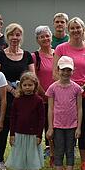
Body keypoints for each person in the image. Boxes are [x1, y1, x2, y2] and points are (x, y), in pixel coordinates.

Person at [53, 17, 85, 170]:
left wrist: (84, 87)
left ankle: (84, 162)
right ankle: (65, 162)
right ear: (68, 30)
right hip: (65, 93)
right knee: (65, 128)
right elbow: (54, 73)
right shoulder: (61, 48)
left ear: (83, 29)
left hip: (84, 93)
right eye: (72, 28)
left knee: (83, 127)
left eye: (78, 27)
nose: (75, 30)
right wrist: (69, 86)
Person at [0, 23, 35, 170]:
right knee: (3, 129)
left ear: (21, 37)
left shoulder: (27, 55)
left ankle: (18, 161)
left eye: (18, 35)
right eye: (12, 34)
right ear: (7, 36)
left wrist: (22, 91)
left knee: (20, 130)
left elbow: (33, 77)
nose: (15, 38)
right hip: (5, 98)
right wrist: (11, 90)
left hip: (24, 99)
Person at [46, 56, 83, 170]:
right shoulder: (52, 88)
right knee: (58, 151)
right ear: (58, 70)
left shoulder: (76, 88)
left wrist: (79, 127)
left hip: (72, 126)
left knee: (70, 151)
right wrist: (50, 127)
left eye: (69, 70)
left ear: (73, 71)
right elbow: (50, 108)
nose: (66, 73)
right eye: (63, 70)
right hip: (58, 125)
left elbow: (79, 108)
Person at [6, 72, 45, 170]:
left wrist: (39, 135)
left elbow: (41, 119)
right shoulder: (17, 100)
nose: (27, 87)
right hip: (19, 134)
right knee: (21, 158)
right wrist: (12, 134)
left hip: (33, 135)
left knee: (32, 158)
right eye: (25, 85)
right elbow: (13, 118)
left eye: (30, 85)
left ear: (35, 86)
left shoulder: (38, 100)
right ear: (21, 86)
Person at [33, 26, 54, 159]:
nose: (45, 38)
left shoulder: (58, 53)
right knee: (42, 122)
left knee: (54, 123)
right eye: (42, 37)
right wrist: (45, 94)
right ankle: (42, 149)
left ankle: (53, 150)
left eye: (47, 35)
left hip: (58, 96)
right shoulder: (34, 56)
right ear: (37, 40)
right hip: (42, 97)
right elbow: (34, 78)